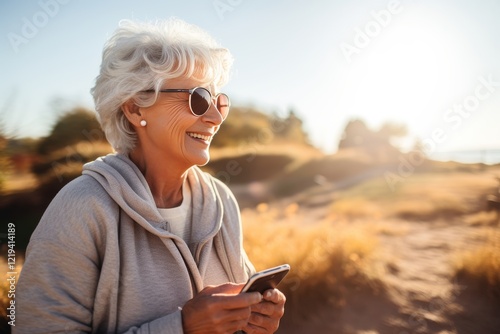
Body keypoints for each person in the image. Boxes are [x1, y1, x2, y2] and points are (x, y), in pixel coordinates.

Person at [15, 18, 286, 333]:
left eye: (219, 102)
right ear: (135, 108)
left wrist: (255, 318)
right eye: (198, 99)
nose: (214, 118)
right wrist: (182, 327)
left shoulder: (221, 200)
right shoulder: (82, 208)